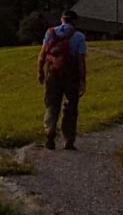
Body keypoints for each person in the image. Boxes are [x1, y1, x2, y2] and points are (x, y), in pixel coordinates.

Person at [37, 8, 88, 150]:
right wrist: (83, 80)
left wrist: (40, 72)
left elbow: (42, 55)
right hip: (71, 76)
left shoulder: (50, 33)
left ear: (62, 19)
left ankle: (50, 131)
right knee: (71, 107)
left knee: (52, 104)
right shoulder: (79, 37)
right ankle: (68, 140)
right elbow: (80, 61)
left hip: (53, 75)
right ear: (75, 21)